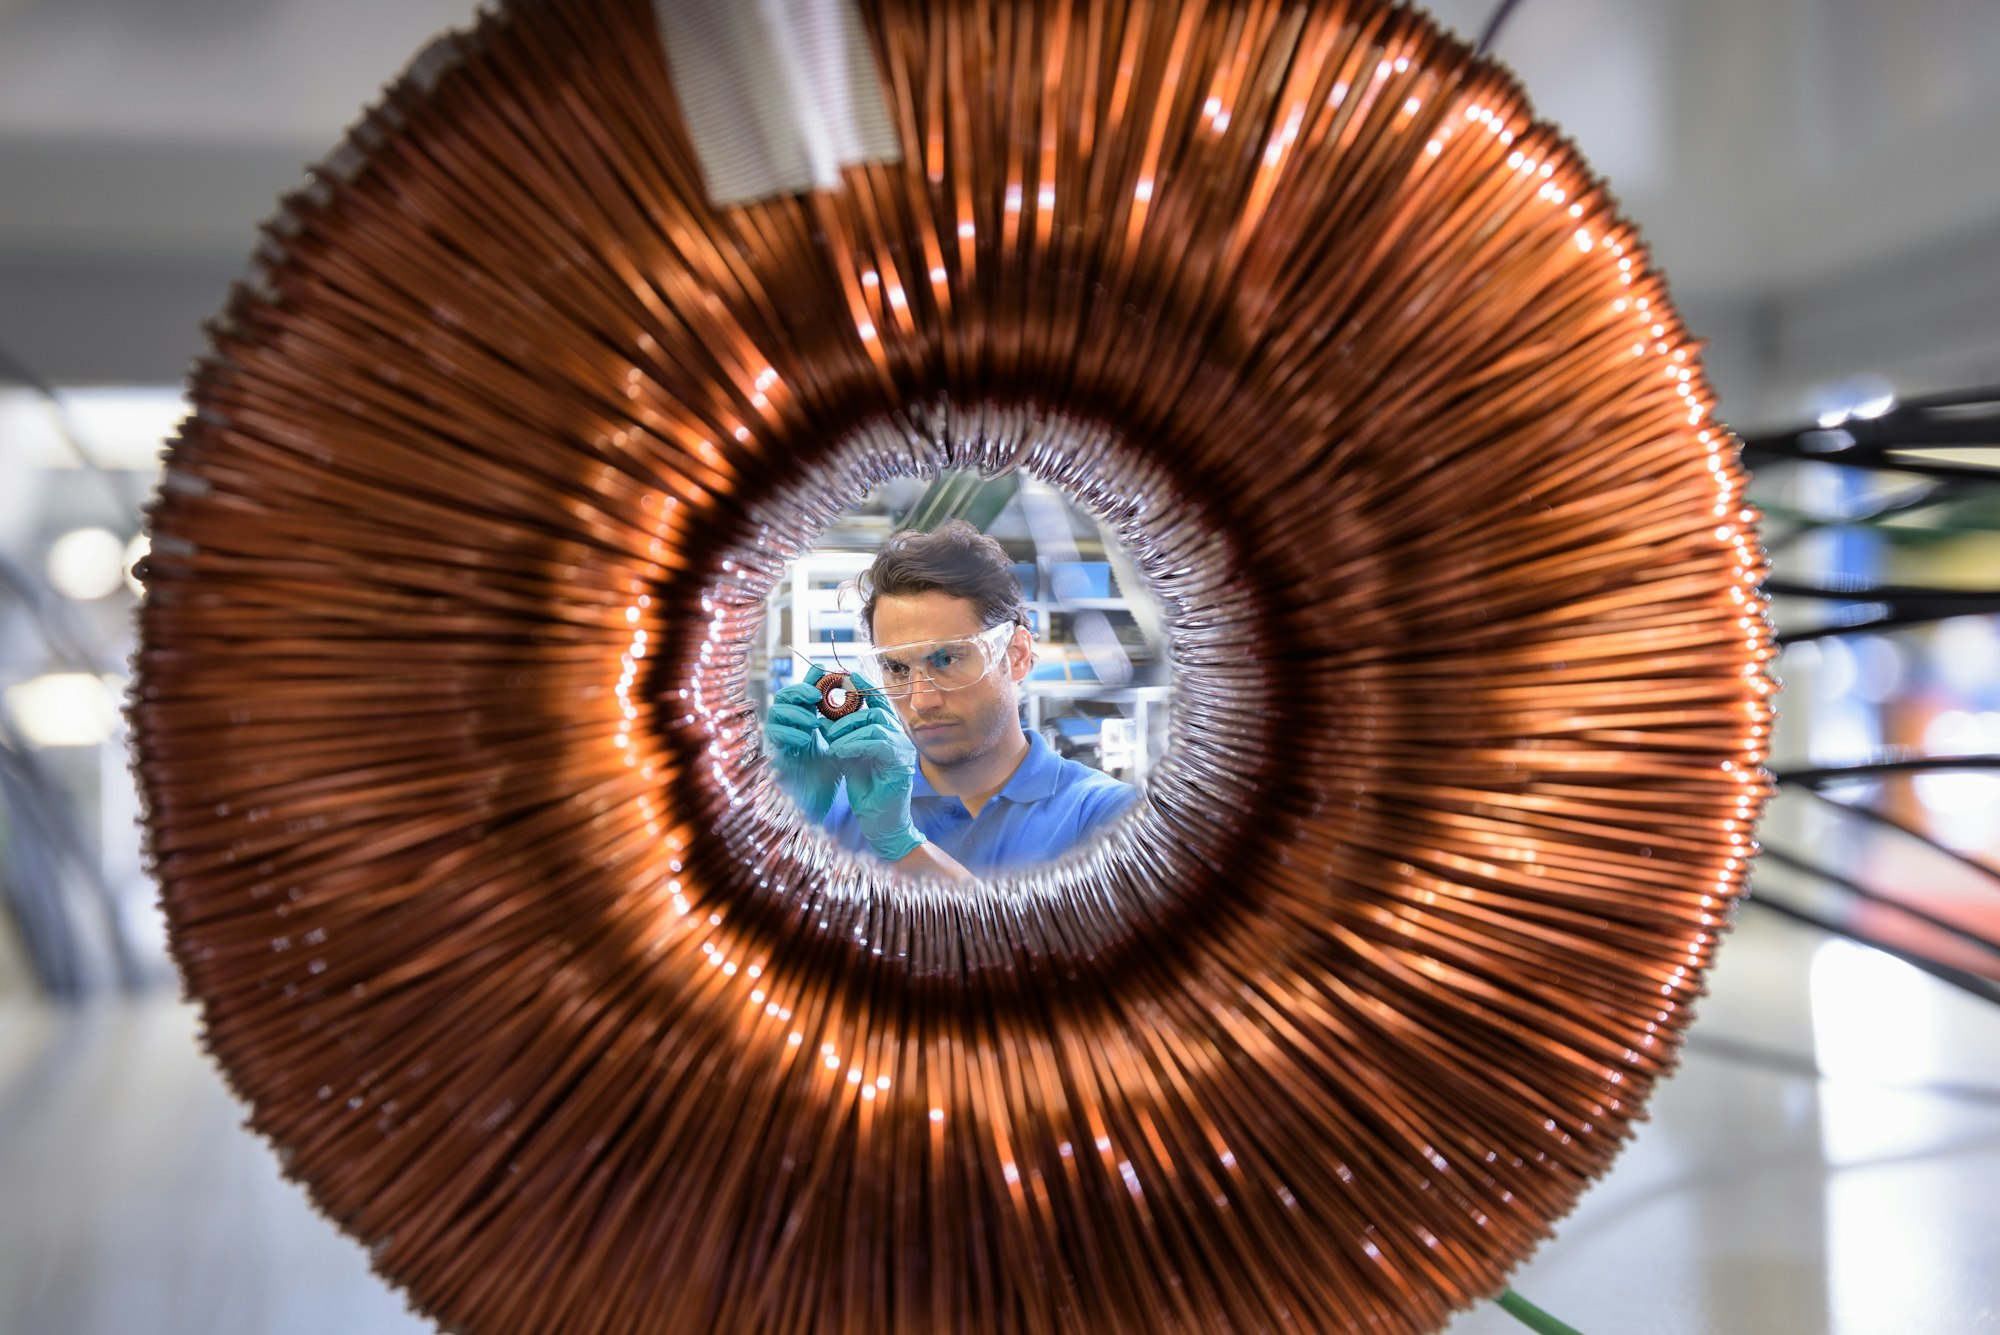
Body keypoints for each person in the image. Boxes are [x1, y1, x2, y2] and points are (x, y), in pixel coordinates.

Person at [763, 519, 1140, 878]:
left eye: (946, 659)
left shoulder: (1105, 817)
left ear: (1017, 655)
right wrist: (784, 826)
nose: (921, 700)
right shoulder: (842, 808)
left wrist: (901, 845)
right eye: (896, 667)